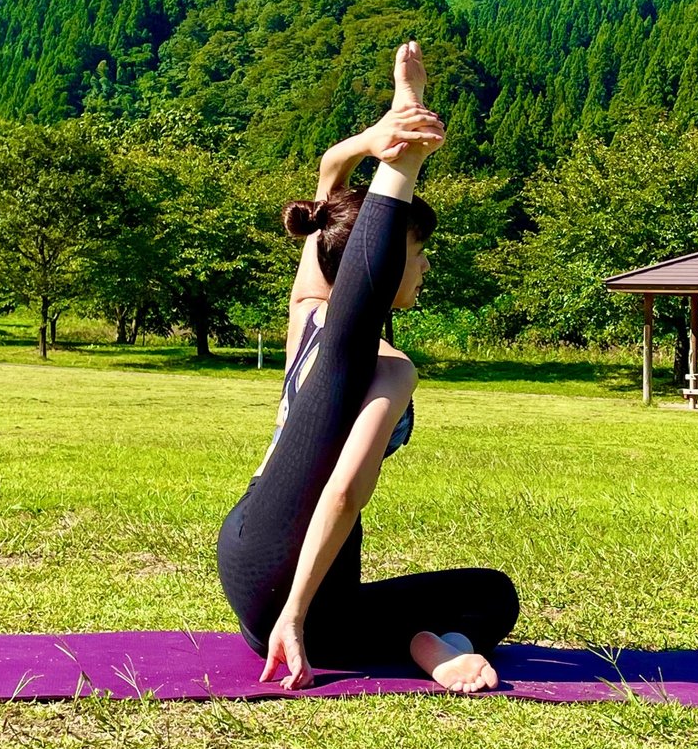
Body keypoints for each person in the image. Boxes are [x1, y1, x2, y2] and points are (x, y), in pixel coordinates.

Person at [217, 41, 520, 694]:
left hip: (245, 555)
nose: (426, 265)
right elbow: (344, 493)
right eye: (417, 251)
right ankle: (430, 646)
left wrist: (365, 140)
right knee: (351, 338)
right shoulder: (388, 368)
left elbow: (325, 197)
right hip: (288, 579)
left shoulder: (308, 320)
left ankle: (425, 642)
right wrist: (294, 616)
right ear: (374, 260)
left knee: (493, 594)